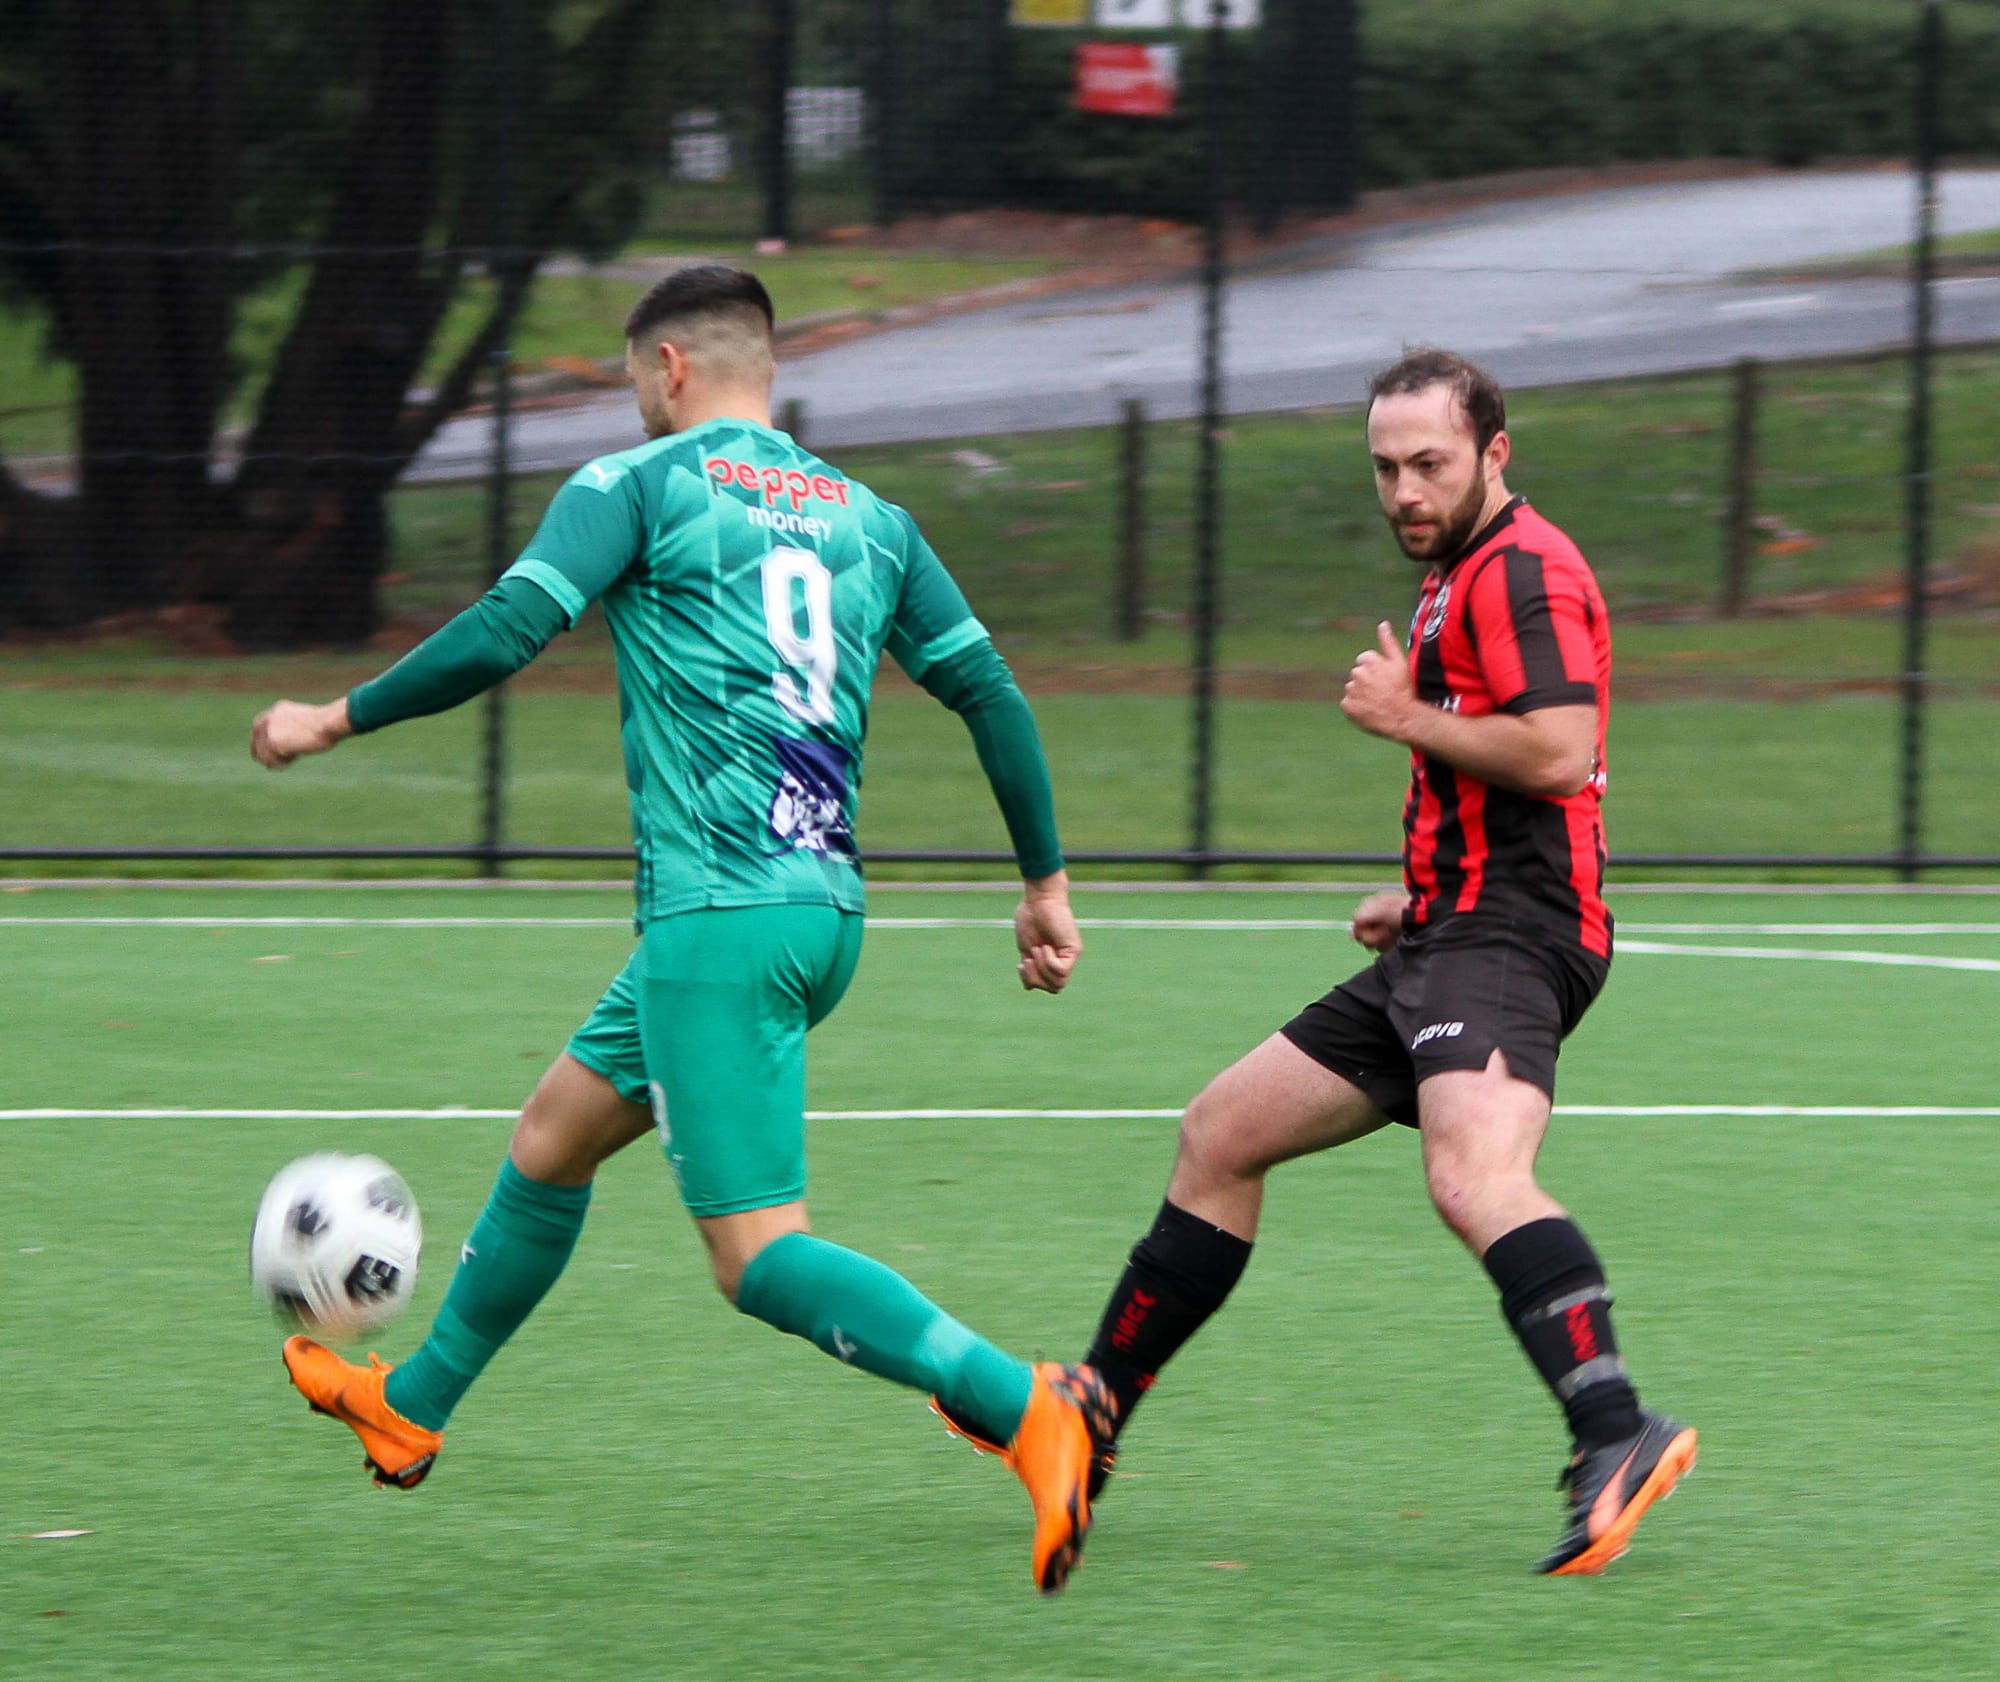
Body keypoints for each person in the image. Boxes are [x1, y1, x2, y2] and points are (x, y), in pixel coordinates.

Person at [251, 264, 1115, 1595]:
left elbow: (507, 628)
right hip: (819, 909)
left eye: (629, 379)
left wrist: (332, 716)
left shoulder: (637, 488)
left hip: (722, 920)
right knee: (553, 1138)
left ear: (666, 368)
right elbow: (990, 691)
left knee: (758, 1258)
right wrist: (1044, 880)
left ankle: (1027, 1402)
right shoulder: (873, 520)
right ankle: (411, 1402)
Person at [1022, 348, 1694, 1575]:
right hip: (1454, 925)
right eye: (1384, 466)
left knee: (1473, 1173)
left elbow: (1556, 751)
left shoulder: (1523, 569)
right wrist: (1421, 887)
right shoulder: (1455, 574)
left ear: (1494, 452)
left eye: (1428, 462)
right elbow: (1512, 774)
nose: (1402, 488)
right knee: (1220, 1131)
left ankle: (1616, 1428)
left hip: (1512, 935)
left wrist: (1402, 718)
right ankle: (1091, 1408)